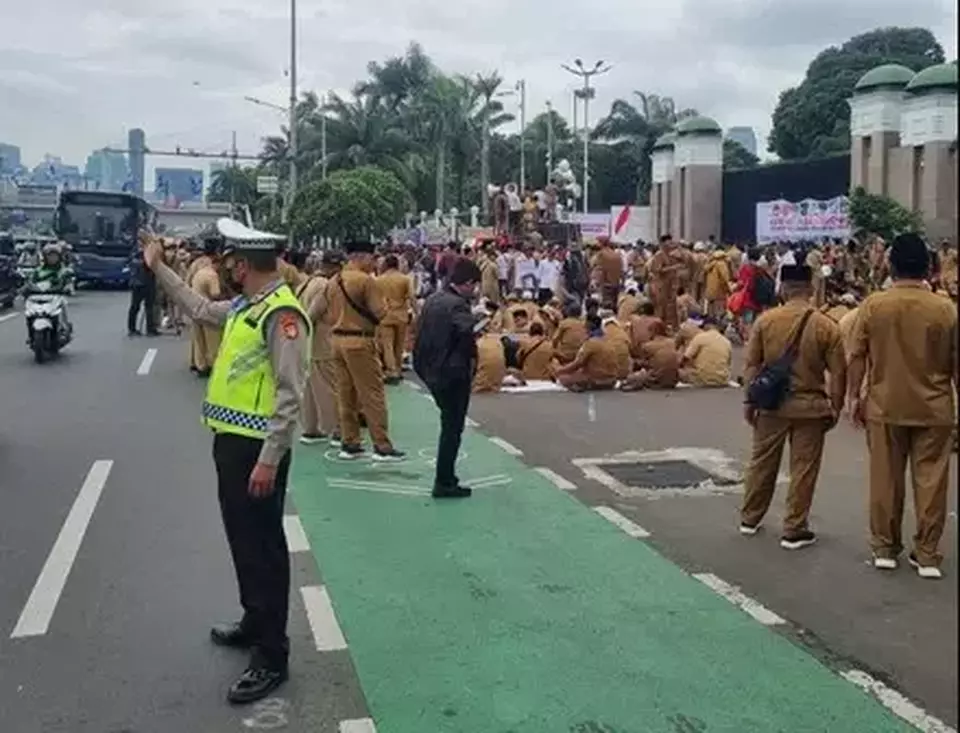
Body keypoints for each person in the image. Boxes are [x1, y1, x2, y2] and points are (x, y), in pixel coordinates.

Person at [142, 223, 311, 704]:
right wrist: (159, 268)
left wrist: (269, 460)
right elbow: (197, 308)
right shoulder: (246, 308)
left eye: (232, 261)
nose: (227, 267)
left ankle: (271, 655)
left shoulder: (282, 316)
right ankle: (254, 620)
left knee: (264, 550)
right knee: (243, 541)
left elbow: (289, 394)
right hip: (232, 443)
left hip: (258, 450)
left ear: (242, 265)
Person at [847, 232, 957, 579]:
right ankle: (926, 554)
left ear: (891, 266)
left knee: (885, 478)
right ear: (928, 266)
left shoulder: (874, 305)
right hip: (935, 407)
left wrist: (854, 396)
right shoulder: (945, 308)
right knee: (932, 482)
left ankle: (884, 547)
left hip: (885, 403)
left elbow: (857, 356)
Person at [739, 264, 846, 550]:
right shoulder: (826, 325)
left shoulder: (765, 321)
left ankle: (750, 518)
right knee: (804, 469)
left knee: (762, 462)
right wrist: (836, 406)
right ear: (810, 290)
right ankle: (794, 528)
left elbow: (751, 365)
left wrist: (750, 400)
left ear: (783, 290)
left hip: (772, 406)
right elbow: (838, 373)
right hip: (810, 407)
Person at [325, 240, 404, 461]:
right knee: (372, 393)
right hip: (360, 341)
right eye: (372, 257)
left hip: (337, 340)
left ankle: (349, 442)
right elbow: (380, 313)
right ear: (362, 257)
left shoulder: (333, 281)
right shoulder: (365, 281)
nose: (375, 262)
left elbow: (328, 314)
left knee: (345, 393)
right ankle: (382, 445)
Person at [413, 257, 483, 498]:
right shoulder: (458, 305)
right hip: (452, 373)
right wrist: (479, 321)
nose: (474, 291)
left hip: (430, 370)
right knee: (452, 428)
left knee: (448, 423)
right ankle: (444, 480)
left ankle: (446, 477)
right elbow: (466, 333)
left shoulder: (433, 299)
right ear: (466, 283)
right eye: (474, 286)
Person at [127, 243, 159, 337]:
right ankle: (149, 329)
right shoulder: (145, 261)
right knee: (147, 307)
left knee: (136, 307)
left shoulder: (134, 259)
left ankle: (133, 329)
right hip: (145, 285)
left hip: (137, 285)